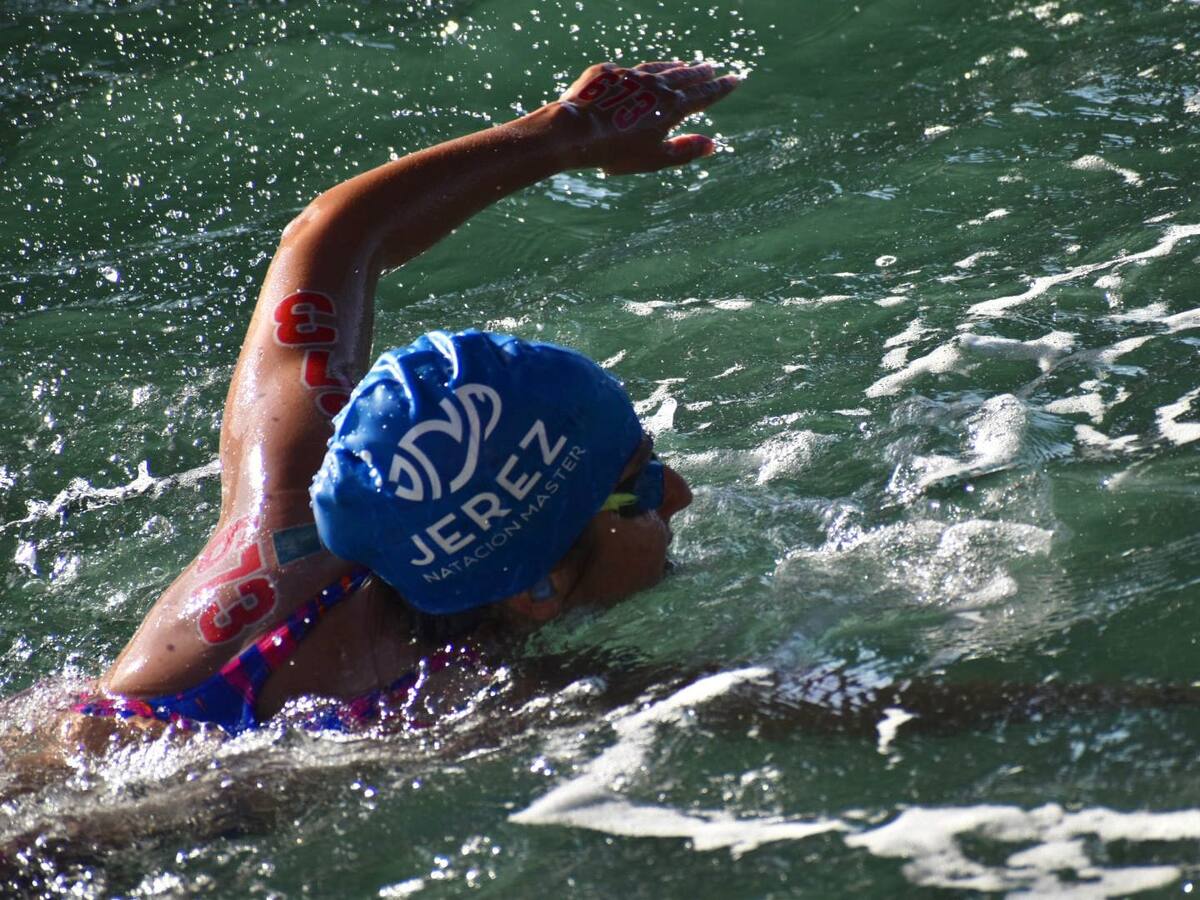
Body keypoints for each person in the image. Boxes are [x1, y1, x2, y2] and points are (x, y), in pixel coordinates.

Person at [62, 60, 740, 745]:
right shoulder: (448, 719)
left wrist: (567, 132)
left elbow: (334, 234)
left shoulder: (291, 507)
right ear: (537, 590)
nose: (679, 494)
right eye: (638, 491)